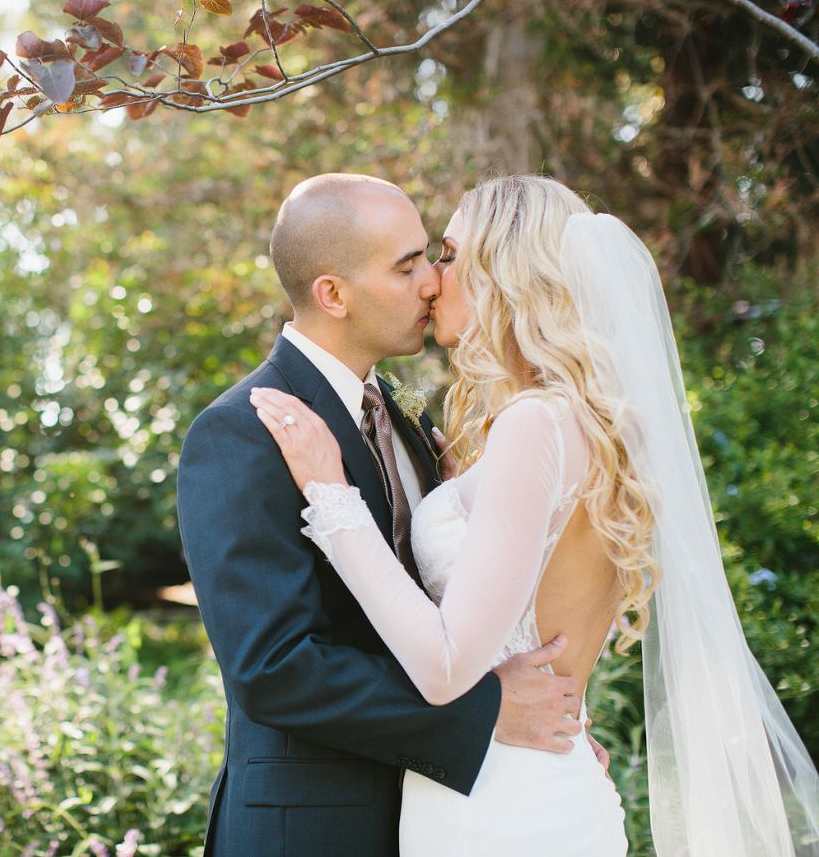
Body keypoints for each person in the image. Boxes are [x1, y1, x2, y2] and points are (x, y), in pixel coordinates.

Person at [249, 175, 819, 856]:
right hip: (540, 777)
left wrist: (331, 496)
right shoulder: (588, 426)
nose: (433, 279)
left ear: (505, 274)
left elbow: (444, 665)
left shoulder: (533, 427)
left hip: (496, 807)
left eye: (451, 254)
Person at [176, 173, 588, 857]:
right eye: (407, 266)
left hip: (442, 812)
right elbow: (271, 667)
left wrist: (546, 738)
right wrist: (485, 711)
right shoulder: (242, 432)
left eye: (431, 256)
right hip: (310, 828)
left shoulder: (408, 421)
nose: (431, 281)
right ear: (332, 294)